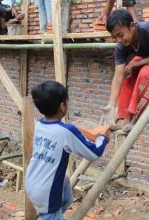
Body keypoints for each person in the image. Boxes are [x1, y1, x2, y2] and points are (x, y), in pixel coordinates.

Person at [25, 80, 109, 220]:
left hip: (33, 182)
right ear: (63, 106)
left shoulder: (40, 124)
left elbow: (61, 135)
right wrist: (102, 137)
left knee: (66, 190)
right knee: (51, 214)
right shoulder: (66, 131)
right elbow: (94, 153)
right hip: (47, 194)